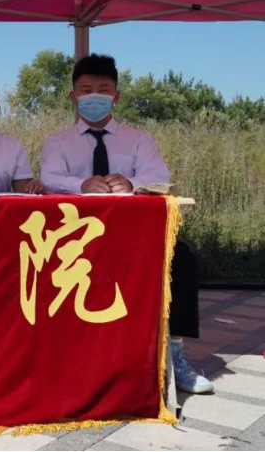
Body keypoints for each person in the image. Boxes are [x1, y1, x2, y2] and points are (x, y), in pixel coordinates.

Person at [40, 54, 211, 395]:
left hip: (133, 237)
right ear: (73, 96)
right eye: (86, 90)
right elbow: (48, 179)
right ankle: (55, 358)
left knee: (183, 259)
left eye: (103, 90)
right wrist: (81, 184)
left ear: (116, 96)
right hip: (75, 241)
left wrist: (132, 184)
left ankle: (175, 355)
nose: (94, 96)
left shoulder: (138, 140)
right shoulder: (58, 142)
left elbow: (159, 177)